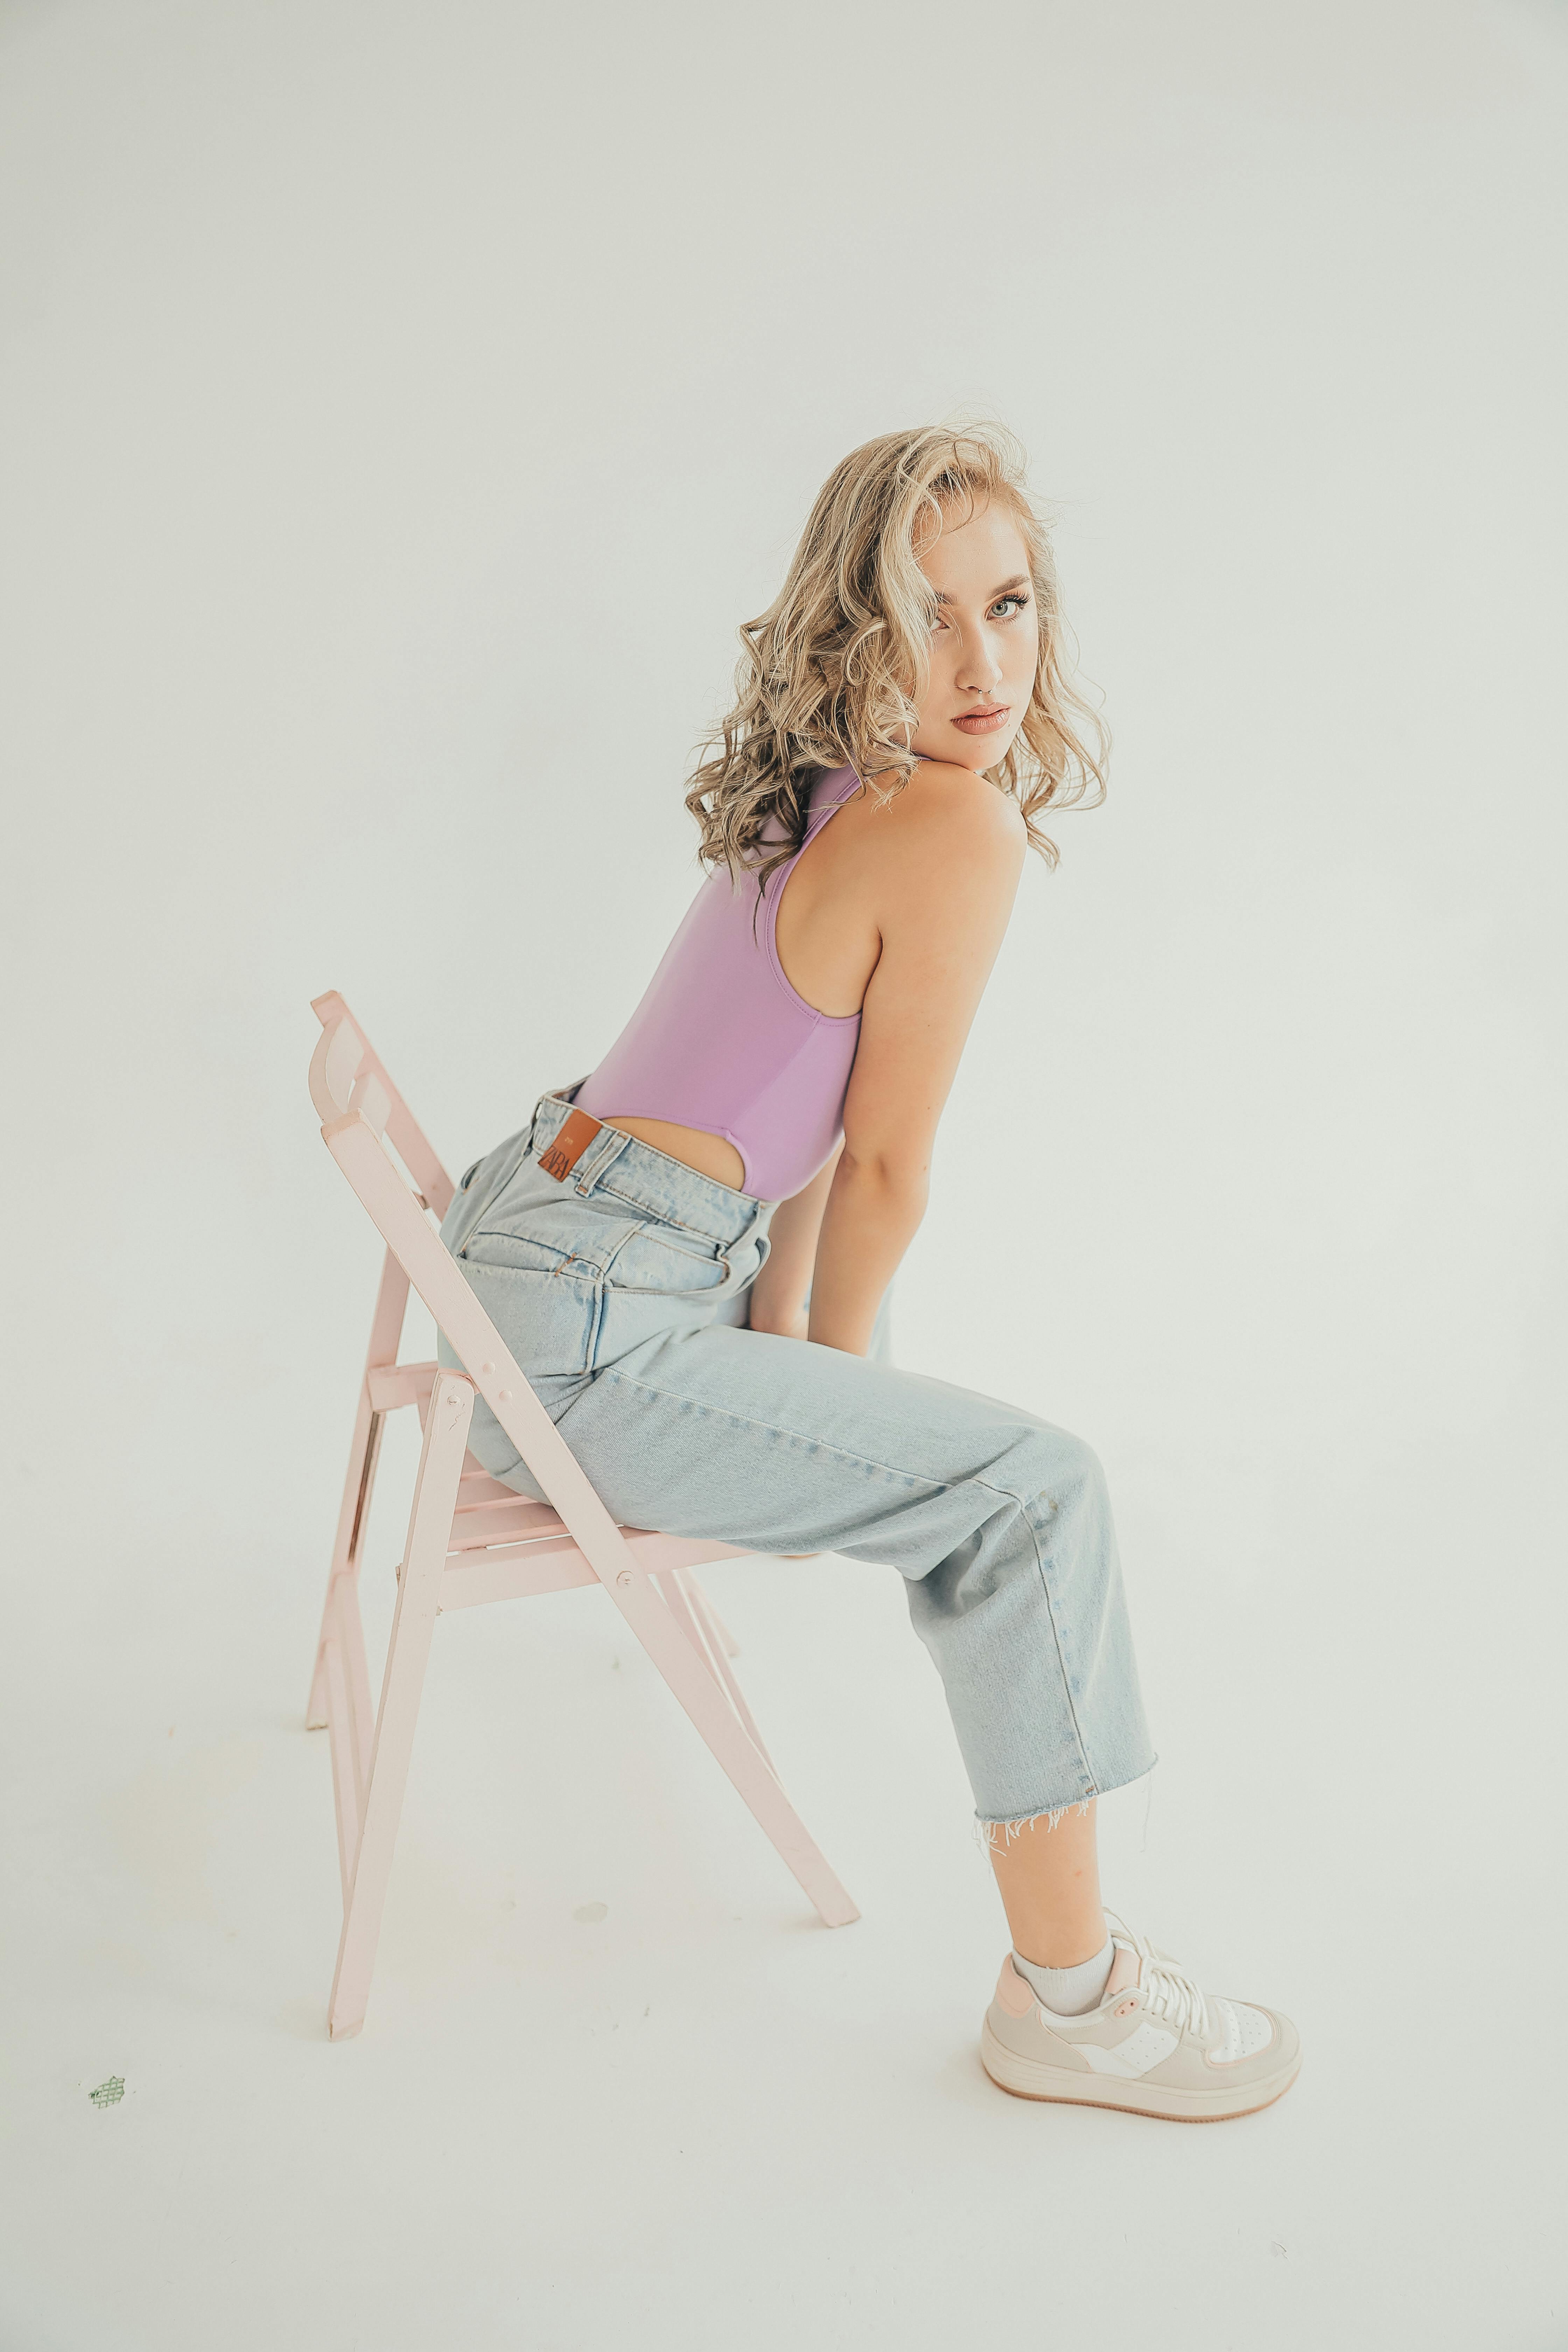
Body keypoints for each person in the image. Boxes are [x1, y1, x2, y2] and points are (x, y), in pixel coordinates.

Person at [439, 424, 1299, 2121]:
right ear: (856, 634)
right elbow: (888, 1165)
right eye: (931, 617)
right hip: (589, 1342)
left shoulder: (833, 777)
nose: (985, 664)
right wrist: (840, 1386)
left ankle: (1057, 1921)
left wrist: (825, 1364)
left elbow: (813, 1145)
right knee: (1030, 1496)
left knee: (935, 1443)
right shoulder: (950, 829)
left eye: (1011, 602)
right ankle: (1071, 1999)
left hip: (540, 1247)